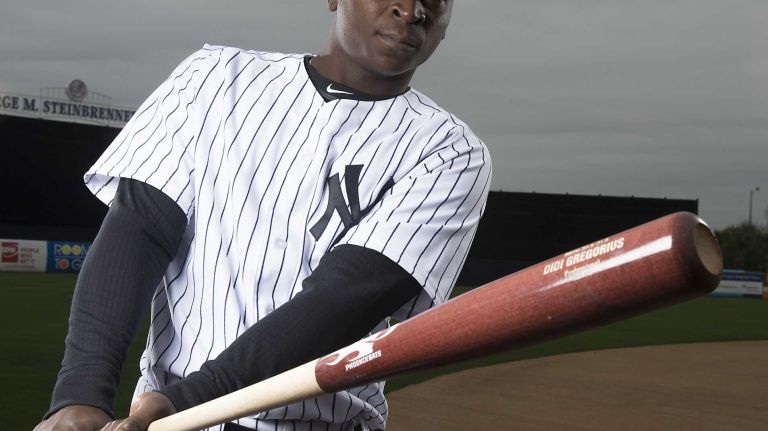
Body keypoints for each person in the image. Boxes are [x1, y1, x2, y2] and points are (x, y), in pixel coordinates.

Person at [36, 1, 491, 430]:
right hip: (168, 417)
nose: (412, 11)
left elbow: (346, 298)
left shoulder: (449, 153)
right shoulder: (213, 77)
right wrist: (81, 393)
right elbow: (139, 230)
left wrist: (191, 400)